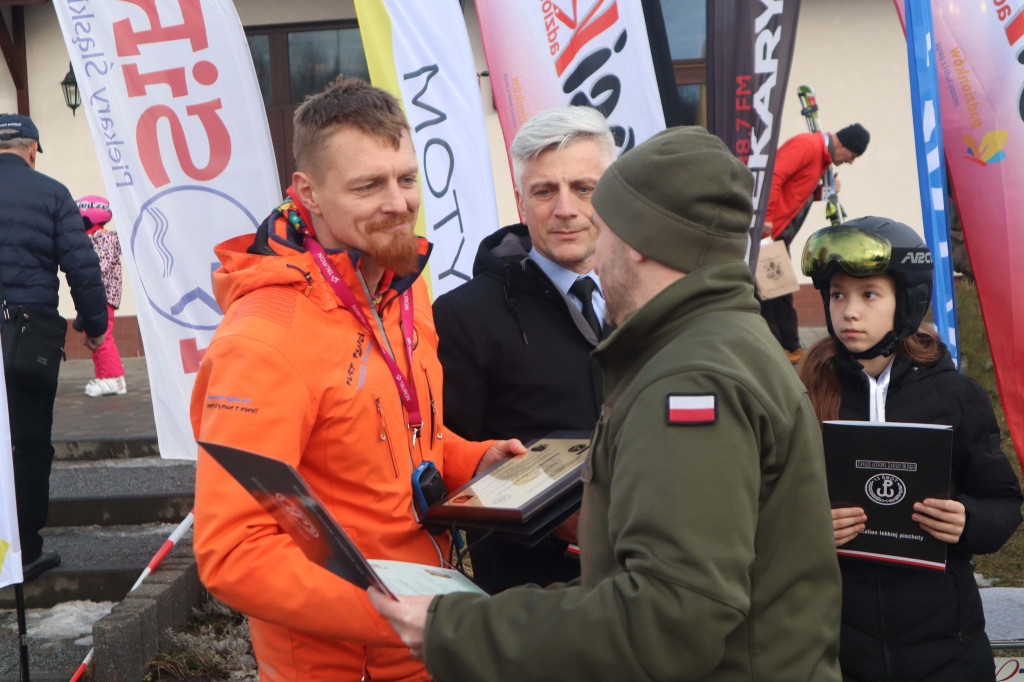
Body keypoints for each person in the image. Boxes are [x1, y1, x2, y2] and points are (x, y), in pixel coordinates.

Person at [371, 126, 843, 681]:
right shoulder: (721, 339)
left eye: (604, 221)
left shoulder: (691, 380)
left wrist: (458, 626)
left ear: (641, 239)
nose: (591, 244)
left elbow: (669, 618)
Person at [190, 76, 524, 682]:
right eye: (368, 185)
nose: (398, 203)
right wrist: (389, 615)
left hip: (423, 637)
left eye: (405, 177)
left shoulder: (400, 282)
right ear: (307, 194)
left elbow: (393, 440)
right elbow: (232, 552)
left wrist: (473, 461)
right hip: (344, 662)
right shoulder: (263, 338)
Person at [796, 216, 1023, 682]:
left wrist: (967, 520)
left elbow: (1003, 503)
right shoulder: (805, 392)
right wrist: (809, 527)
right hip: (840, 647)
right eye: (838, 294)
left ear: (909, 300)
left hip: (945, 650)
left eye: (869, 295)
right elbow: (773, 502)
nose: (849, 311)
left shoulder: (956, 396)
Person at [432, 106, 613, 592]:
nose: (565, 209)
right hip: (531, 602)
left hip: (655, 584)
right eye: (544, 191)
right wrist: (547, 511)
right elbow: (440, 462)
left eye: (584, 188)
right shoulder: (463, 317)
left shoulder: (652, 297)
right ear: (520, 201)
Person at [0, 114, 107, 580]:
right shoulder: (53, 193)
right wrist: (96, 326)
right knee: (28, 444)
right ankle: (24, 551)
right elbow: (81, 265)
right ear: (32, 150)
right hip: (29, 339)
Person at [762, 123, 870, 364]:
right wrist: (766, 218)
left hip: (779, 235)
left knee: (781, 292)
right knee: (770, 295)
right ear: (841, 144)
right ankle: (777, 349)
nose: (850, 162)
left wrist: (823, 192)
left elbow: (797, 190)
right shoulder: (808, 146)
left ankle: (790, 348)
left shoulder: (822, 160)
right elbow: (775, 175)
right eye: (851, 156)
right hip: (767, 234)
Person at [76, 196, 127, 397]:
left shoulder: (104, 238)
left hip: (103, 295)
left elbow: (99, 267)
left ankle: (114, 379)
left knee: (103, 335)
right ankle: (103, 377)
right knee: (93, 336)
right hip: (93, 296)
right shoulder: (94, 239)